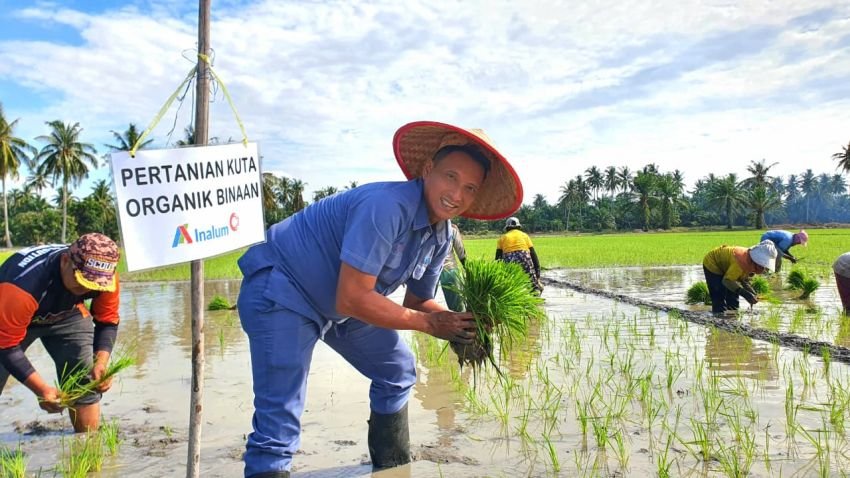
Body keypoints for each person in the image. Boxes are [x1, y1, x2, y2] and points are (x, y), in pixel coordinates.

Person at [236, 121, 522, 478]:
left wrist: (461, 325)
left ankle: (391, 468)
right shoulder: (387, 206)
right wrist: (432, 324)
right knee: (280, 422)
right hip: (284, 289)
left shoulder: (441, 236)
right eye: (450, 177)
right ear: (428, 169)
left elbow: (419, 302)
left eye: (469, 187)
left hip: (340, 306)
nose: (457, 194)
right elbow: (354, 297)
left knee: (397, 371)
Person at [0, 233, 121, 432]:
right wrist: (41, 389)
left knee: (84, 378)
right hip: (12, 315)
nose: (84, 288)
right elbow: (6, 345)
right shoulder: (22, 286)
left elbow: (107, 321)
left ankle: (87, 446)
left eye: (92, 285)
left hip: (68, 313)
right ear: (65, 261)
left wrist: (101, 362)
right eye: (81, 280)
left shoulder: (106, 277)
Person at [702, 240, 777, 315]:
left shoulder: (751, 262)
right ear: (757, 261)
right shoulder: (740, 262)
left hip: (728, 267)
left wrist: (752, 293)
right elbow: (727, 281)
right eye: (762, 266)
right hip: (713, 263)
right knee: (719, 294)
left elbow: (744, 280)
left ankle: (733, 316)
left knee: (733, 296)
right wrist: (745, 294)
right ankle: (718, 316)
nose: (763, 269)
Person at [495, 217, 543, 294]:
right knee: (533, 285)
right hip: (524, 257)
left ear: (507, 228)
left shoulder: (502, 238)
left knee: (511, 283)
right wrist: (537, 274)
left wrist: (498, 274)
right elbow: (533, 254)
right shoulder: (525, 235)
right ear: (519, 227)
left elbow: (498, 258)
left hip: (509, 259)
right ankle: (535, 291)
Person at [439, 223, 467, 312]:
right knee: (457, 307)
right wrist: (468, 270)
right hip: (449, 271)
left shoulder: (425, 228)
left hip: (427, 272)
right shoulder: (452, 229)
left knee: (427, 306)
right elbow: (461, 252)